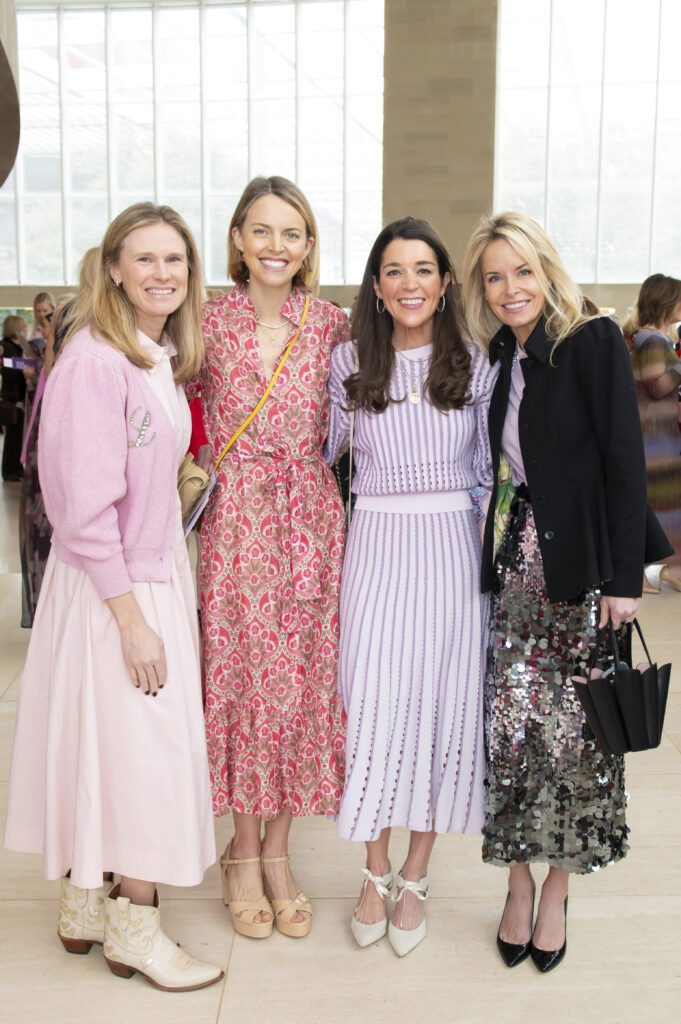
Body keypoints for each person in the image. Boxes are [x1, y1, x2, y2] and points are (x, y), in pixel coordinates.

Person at [4, 202, 223, 992]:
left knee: (107, 744)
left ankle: (84, 905)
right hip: (116, 589)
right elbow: (80, 505)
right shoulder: (95, 360)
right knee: (145, 756)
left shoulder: (151, 354)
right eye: (147, 258)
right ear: (115, 269)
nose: (164, 273)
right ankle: (137, 928)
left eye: (177, 260)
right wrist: (132, 620)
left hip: (140, 571)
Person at [461, 211, 672, 974]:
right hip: (517, 568)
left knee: (576, 739)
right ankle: (514, 883)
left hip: (581, 572)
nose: (509, 287)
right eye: (494, 275)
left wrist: (624, 582)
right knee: (514, 734)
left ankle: (555, 891)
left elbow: (625, 463)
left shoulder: (587, 343)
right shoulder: (497, 352)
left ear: (546, 269)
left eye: (521, 270)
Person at [326, 217, 497, 957]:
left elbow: (494, 473)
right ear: (375, 285)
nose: (408, 285)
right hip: (374, 546)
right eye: (393, 271)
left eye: (422, 269)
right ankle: (372, 870)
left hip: (451, 551)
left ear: (445, 282)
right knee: (369, 704)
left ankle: (416, 874)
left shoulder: (479, 363)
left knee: (438, 705)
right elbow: (319, 453)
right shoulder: (344, 362)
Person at [189, 176, 349, 940]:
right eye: (262, 231)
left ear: (309, 246)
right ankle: (242, 853)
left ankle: (278, 852)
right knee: (243, 683)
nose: (276, 246)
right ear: (237, 241)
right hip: (234, 523)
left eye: (292, 233)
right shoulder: (202, 321)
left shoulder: (333, 326)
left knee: (301, 687)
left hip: (311, 521)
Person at [623, 274, 681, 592]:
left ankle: (666, 568)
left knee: (668, 502)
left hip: (663, 433)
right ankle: (649, 571)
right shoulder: (651, 339)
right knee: (658, 502)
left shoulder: (655, 338)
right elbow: (658, 385)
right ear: (665, 301)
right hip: (652, 436)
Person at [1, 315, 28, 481]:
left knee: (17, 437)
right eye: (23, 327)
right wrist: (24, 367)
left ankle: (16, 468)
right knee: (12, 437)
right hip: (12, 397)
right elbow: (7, 370)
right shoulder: (6, 347)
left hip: (16, 397)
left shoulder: (15, 347)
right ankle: (10, 470)